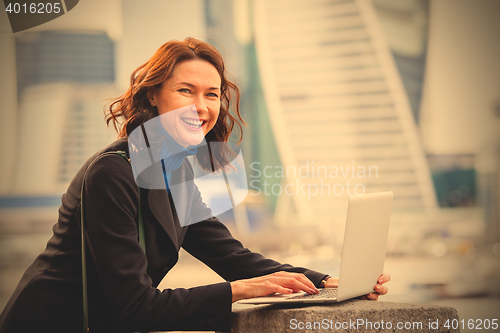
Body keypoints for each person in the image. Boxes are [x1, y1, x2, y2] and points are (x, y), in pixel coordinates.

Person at [0, 37, 390, 333]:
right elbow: (135, 306)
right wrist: (241, 290)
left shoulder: (176, 172)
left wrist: (324, 282)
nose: (201, 107)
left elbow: (233, 257)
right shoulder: (112, 172)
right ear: (153, 95)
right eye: (185, 91)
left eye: (212, 94)